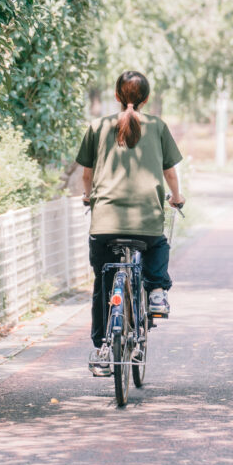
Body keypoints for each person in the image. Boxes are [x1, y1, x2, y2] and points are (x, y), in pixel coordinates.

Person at [75, 70, 185, 376]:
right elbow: (171, 173)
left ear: (116, 95)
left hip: (105, 223)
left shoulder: (98, 126)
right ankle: (157, 292)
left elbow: (86, 175)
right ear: (147, 98)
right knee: (158, 244)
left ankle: (101, 348)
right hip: (146, 220)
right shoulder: (158, 126)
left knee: (103, 284)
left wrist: (88, 197)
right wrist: (176, 197)